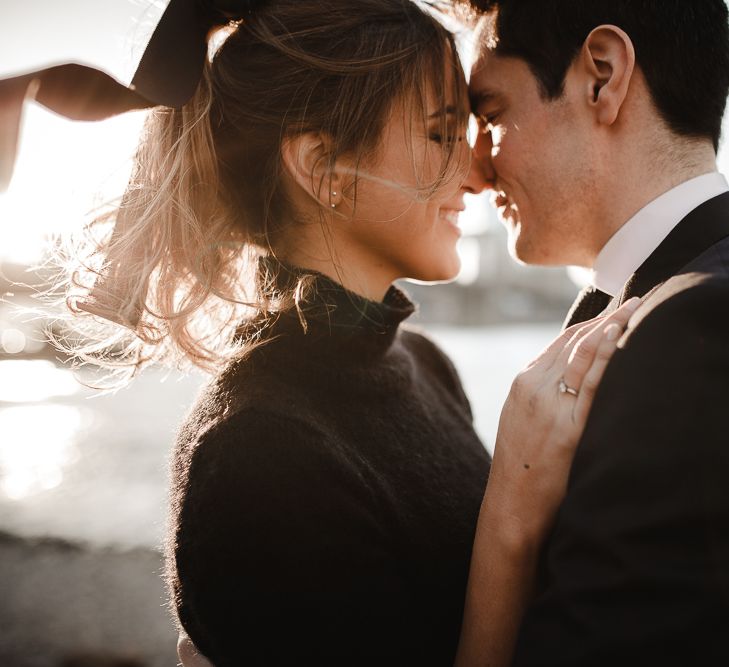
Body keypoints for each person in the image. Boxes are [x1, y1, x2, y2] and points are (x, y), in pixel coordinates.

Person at [56, 1, 635, 665]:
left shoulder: (421, 364)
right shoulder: (259, 452)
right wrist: (515, 506)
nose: (477, 174)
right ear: (322, 166)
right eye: (442, 133)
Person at [460, 0, 729, 664]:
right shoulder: (665, 305)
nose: (474, 167)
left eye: (491, 115)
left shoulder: (688, 334)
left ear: (601, 78)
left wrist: (506, 530)